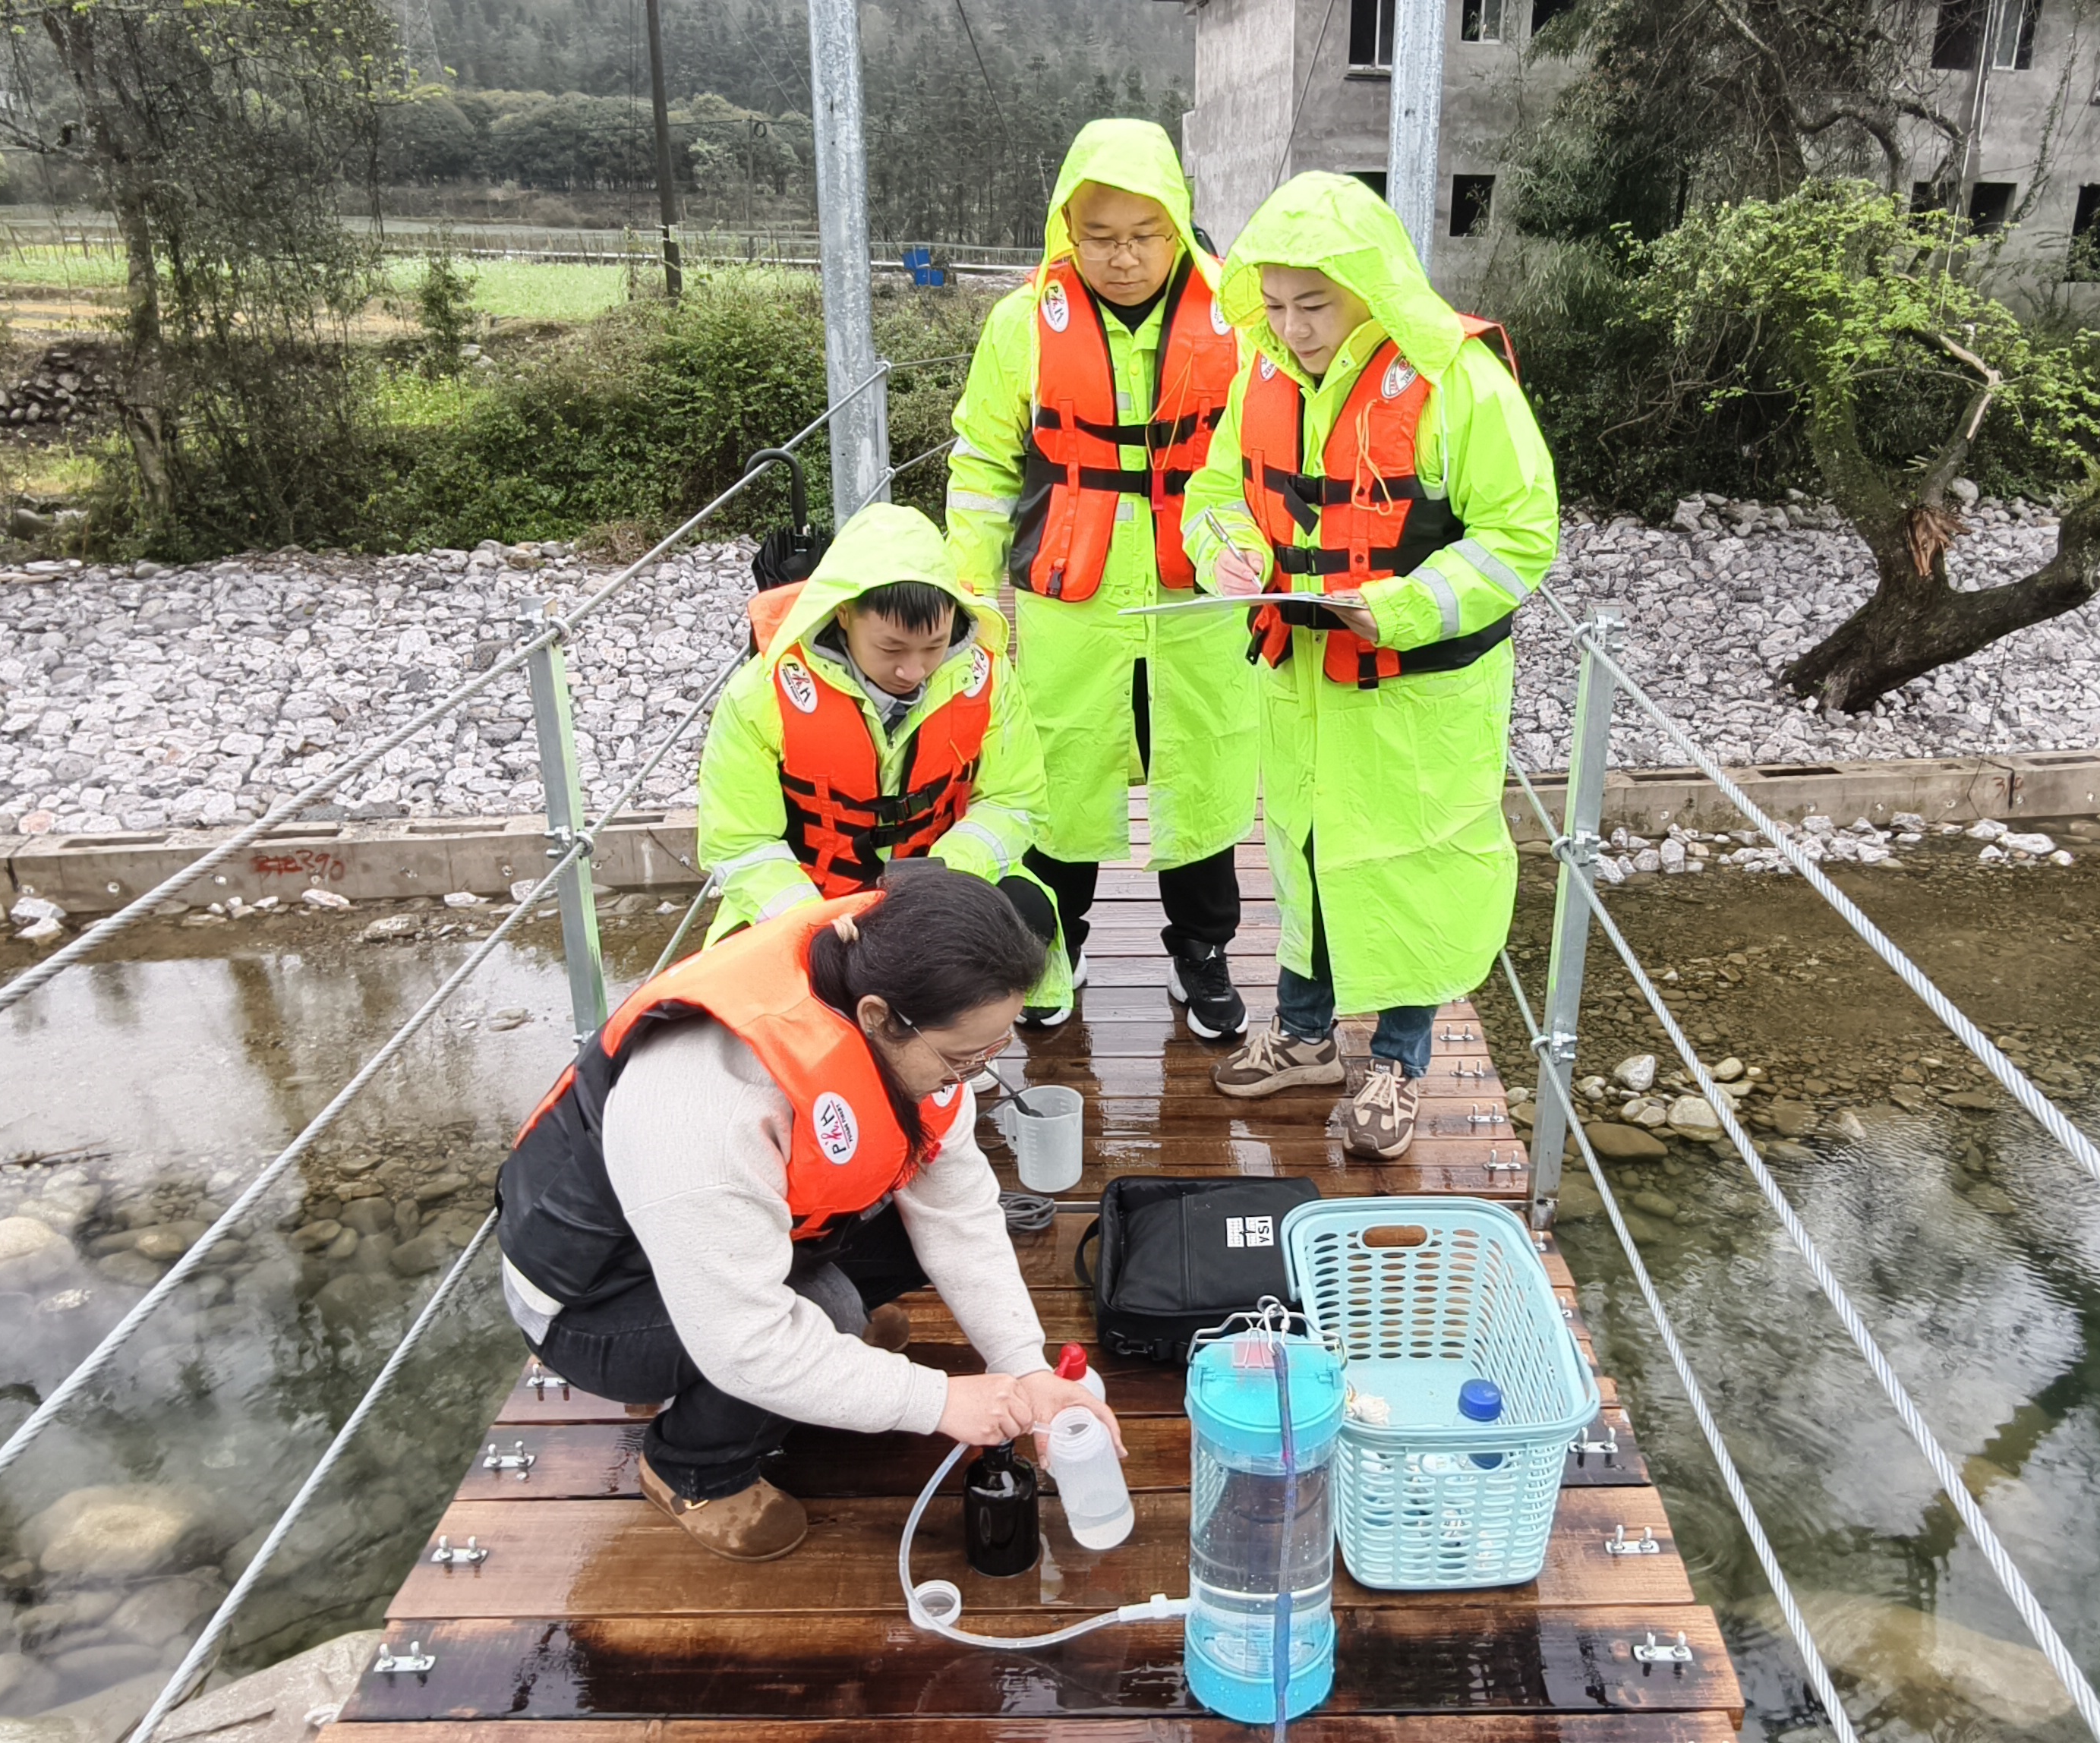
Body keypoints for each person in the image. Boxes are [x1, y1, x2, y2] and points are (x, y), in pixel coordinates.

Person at [493, 872, 1120, 1562]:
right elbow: (748, 1342)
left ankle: (829, 1356)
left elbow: (960, 1215)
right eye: (961, 1058)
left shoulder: (909, 1026)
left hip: (732, 1236)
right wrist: (939, 1401)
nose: (970, 1077)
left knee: (924, 1234)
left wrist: (1023, 1366)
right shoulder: (706, 1104)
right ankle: (692, 1469)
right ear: (881, 1015)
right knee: (824, 1316)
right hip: (596, 1302)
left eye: (991, 1053)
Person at [1181, 172, 1560, 1159]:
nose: (1292, 328)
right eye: (1272, 306)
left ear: (1369, 288)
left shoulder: (1455, 380)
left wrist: (1387, 609)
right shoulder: (1262, 376)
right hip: (1299, 683)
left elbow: (1519, 537)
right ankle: (1306, 1039)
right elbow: (1217, 489)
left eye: (1313, 305)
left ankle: (1399, 1059)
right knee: (1303, 861)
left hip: (1417, 693)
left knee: (1411, 868)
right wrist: (1227, 547)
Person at [945, 118, 1257, 1038]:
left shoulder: (1237, 322)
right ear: (1067, 232)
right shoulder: (1018, 327)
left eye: (1144, 236)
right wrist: (967, 604)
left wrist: (1247, 552)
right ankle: (1052, 946)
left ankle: (1201, 953)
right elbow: (983, 467)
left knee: (1200, 772)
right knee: (1059, 776)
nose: (1123, 259)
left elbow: (1259, 463)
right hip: (1067, 600)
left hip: (1194, 598)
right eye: (1101, 238)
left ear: (1179, 225)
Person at [695, 501, 1069, 1004]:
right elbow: (739, 844)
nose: (913, 670)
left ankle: (959, 1051)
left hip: (939, 885)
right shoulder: (759, 696)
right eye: (892, 649)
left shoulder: (990, 678)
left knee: (1026, 914)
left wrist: (944, 875)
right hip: (814, 899)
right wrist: (815, 918)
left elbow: (1015, 802)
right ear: (843, 613)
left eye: (934, 646)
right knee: (745, 977)